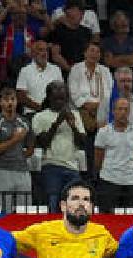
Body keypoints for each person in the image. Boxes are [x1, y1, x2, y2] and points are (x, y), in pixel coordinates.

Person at [30, 81, 86, 212]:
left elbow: (82, 142)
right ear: (49, 97)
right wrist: (57, 122)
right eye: (57, 96)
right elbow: (43, 143)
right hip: (51, 166)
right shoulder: (40, 117)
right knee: (53, 205)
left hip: (72, 166)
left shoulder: (75, 115)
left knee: (74, 204)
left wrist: (73, 126)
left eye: (63, 97)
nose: (61, 100)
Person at [94, 95, 133, 211]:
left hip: (130, 181)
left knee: (130, 217)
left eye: (126, 109)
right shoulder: (103, 132)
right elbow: (98, 159)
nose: (123, 112)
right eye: (120, 109)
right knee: (107, 217)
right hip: (109, 180)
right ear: (113, 111)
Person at [0, 87, 32, 208]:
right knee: (3, 210)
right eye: (6, 99)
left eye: (13, 99)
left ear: (17, 101)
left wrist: (20, 157)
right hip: (2, 171)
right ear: (0, 102)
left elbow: (31, 147)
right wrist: (15, 140)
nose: (10, 103)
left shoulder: (24, 122)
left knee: (24, 210)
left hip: (22, 171)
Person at [67, 41, 111, 132]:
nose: (94, 54)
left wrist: (100, 107)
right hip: (82, 110)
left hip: (103, 110)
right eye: (91, 50)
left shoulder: (105, 71)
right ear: (85, 53)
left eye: (97, 52)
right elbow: (74, 95)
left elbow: (110, 92)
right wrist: (91, 107)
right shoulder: (76, 69)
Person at [15, 38, 63, 114]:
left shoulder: (56, 69)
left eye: (46, 50)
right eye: (41, 50)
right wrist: (40, 108)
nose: (44, 53)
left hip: (53, 113)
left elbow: (61, 93)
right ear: (33, 53)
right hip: (32, 112)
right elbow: (21, 97)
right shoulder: (25, 71)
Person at [48, 0, 91, 73]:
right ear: (68, 11)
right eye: (79, 10)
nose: (82, 13)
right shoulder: (58, 31)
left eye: (83, 11)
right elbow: (56, 56)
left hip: (83, 72)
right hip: (63, 72)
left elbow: (89, 53)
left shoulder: (86, 31)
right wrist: (71, 70)